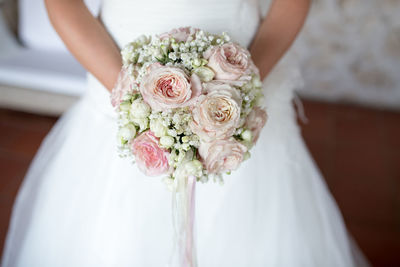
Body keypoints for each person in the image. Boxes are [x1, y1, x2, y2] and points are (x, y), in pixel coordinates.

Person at [1, 0, 370, 266]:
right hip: (117, 79)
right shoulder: (130, 99)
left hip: (245, 77)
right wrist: (135, 99)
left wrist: (240, 88)